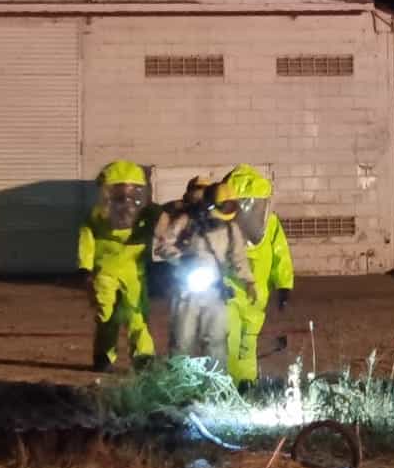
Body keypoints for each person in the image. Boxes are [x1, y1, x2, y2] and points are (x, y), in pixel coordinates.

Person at [155, 177, 256, 370]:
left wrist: (249, 281)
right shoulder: (187, 223)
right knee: (182, 339)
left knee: (217, 339)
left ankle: (217, 384)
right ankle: (178, 381)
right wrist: (181, 259)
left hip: (215, 290)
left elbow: (239, 258)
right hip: (187, 289)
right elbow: (164, 245)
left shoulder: (230, 228)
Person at [219, 163, 295, 390]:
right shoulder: (268, 222)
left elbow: (280, 253)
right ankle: (235, 383)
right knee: (236, 340)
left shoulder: (267, 223)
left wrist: (284, 284)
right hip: (234, 292)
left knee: (244, 341)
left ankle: (244, 383)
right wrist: (283, 285)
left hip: (244, 293)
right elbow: (281, 253)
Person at [76, 160, 156, 372]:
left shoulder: (146, 215)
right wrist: (84, 267)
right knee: (107, 315)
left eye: (132, 193)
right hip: (105, 272)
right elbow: (87, 240)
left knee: (136, 314)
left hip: (133, 272)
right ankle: (104, 356)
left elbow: (164, 227)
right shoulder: (97, 216)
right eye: (120, 193)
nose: (126, 199)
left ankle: (143, 357)